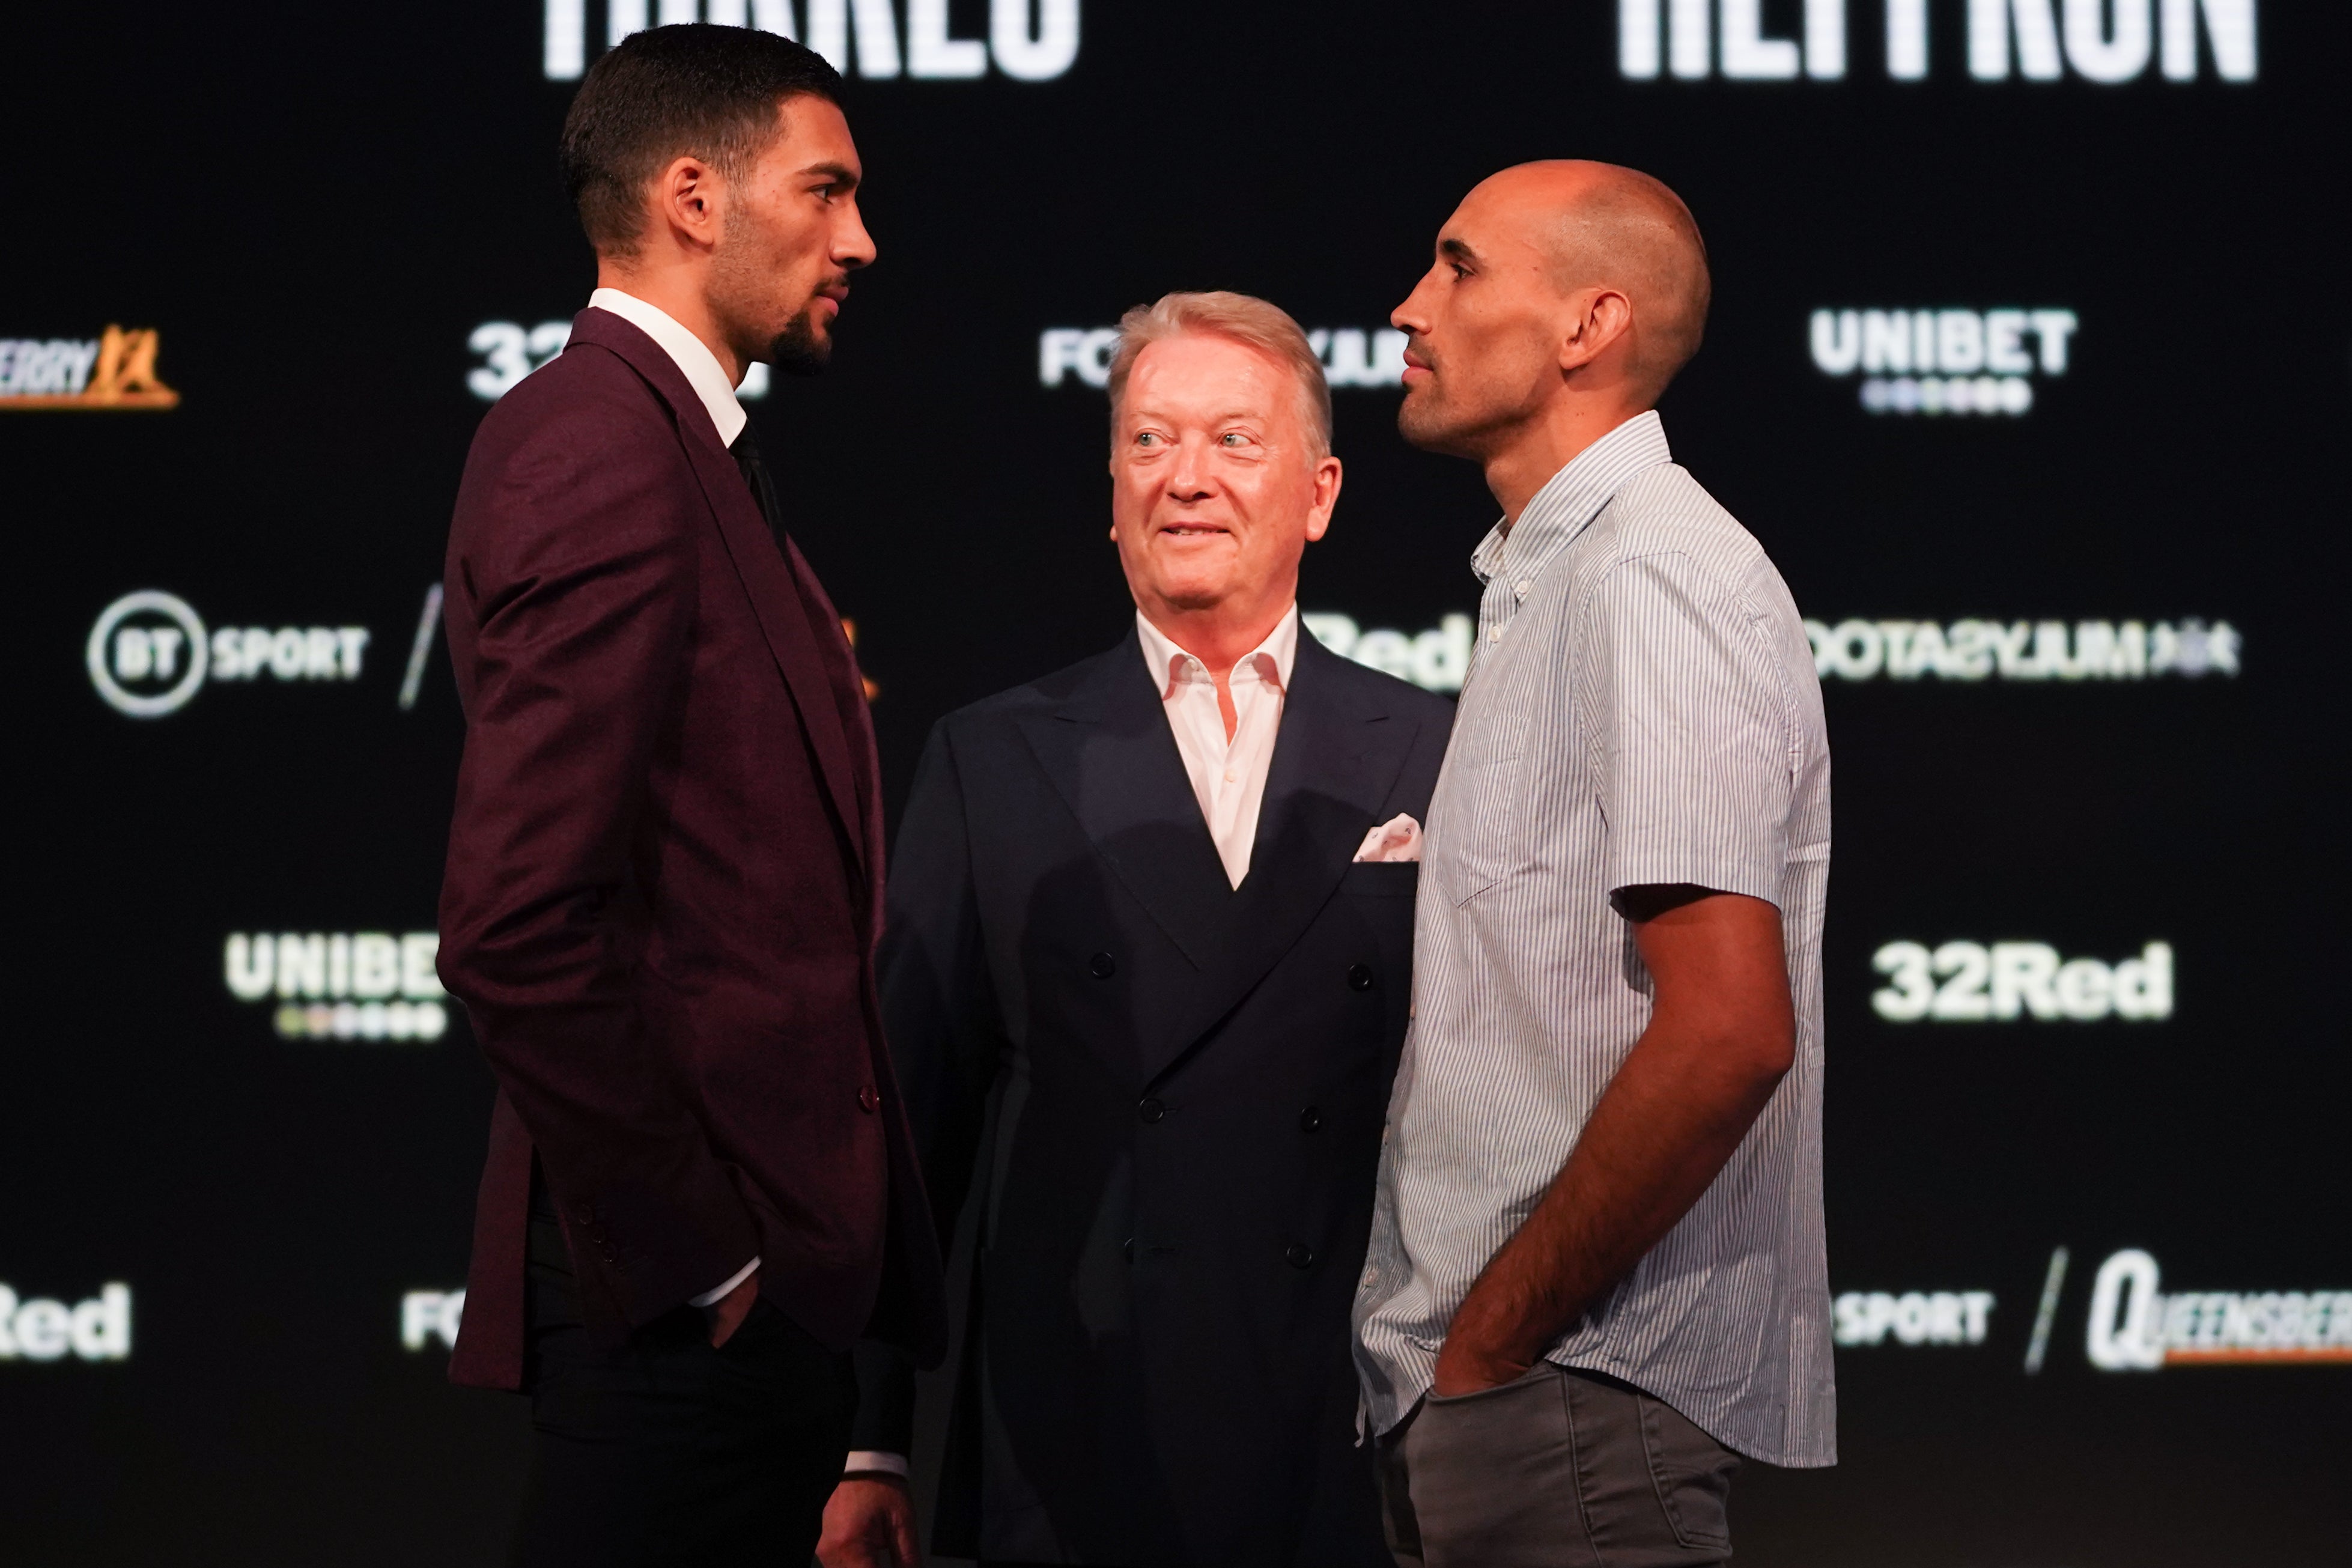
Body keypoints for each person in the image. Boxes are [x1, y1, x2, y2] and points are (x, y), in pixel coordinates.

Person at [818, 293, 1453, 1568]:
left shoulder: (1436, 749)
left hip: (1354, 1410)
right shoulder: (992, 757)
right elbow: (907, 1130)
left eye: (1231, 442)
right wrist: (868, 1438)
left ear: (1318, 494)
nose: (1185, 482)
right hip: (1078, 1420)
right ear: (1110, 493)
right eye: (1149, 445)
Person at [435, 25, 946, 1565]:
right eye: (826, 189)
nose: (861, 237)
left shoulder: (672, 444)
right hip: (677, 1312)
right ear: (692, 197)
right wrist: (708, 1258)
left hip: (740, 1308)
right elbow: (516, 924)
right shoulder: (600, 445)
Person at [1352, 162, 1835, 1567]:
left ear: (1587, 327)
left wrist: (1496, 1340)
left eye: (1456, 268)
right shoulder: (1553, 578)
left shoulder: (1649, 573)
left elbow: (1729, 1030)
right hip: (1522, 1397)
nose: (1407, 308)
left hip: (1569, 1396)